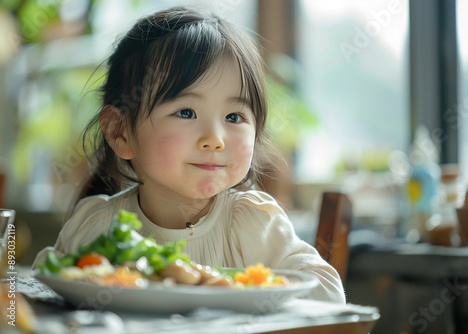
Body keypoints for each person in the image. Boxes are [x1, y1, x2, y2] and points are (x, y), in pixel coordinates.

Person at [34, 6, 345, 303]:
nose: (215, 139)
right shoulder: (99, 225)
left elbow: (328, 293)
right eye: (186, 112)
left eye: (234, 117)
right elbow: (40, 290)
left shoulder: (250, 222)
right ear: (120, 132)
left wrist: (247, 292)